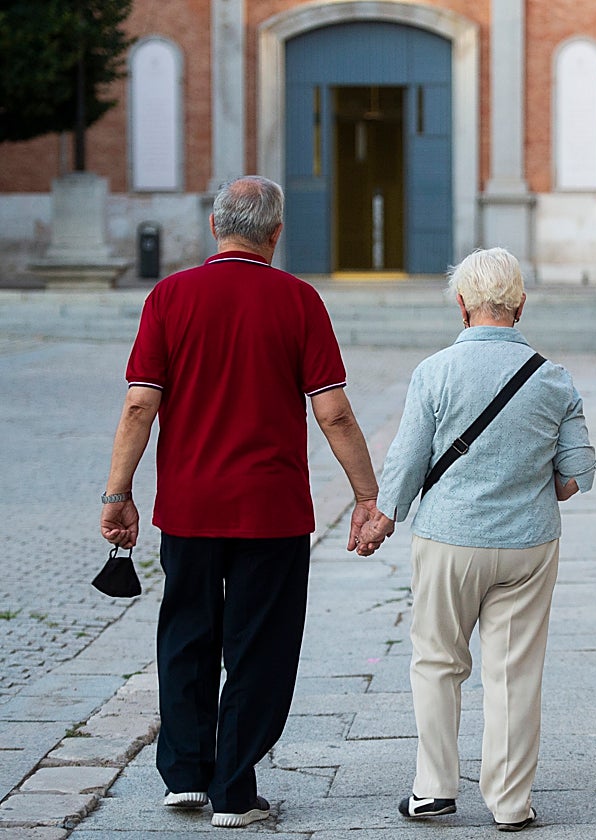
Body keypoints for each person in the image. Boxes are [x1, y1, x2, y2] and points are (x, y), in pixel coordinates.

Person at [99, 175, 389, 829]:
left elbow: (141, 402)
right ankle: (234, 790)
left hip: (189, 506)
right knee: (259, 646)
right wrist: (367, 496)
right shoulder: (298, 300)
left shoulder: (170, 296)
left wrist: (119, 495)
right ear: (277, 234)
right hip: (272, 510)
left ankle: (184, 775)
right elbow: (334, 413)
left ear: (213, 226)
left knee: (185, 636)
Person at [356, 247, 596, 832]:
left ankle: (434, 790)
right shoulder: (553, 379)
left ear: (462, 305)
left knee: (438, 662)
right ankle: (512, 805)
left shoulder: (434, 372)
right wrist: (529, 479)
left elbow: (408, 461)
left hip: (448, 542)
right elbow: (576, 475)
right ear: (520, 304)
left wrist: (382, 518)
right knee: (514, 674)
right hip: (528, 545)